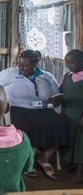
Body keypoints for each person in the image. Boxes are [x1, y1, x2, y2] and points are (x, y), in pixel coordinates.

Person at [0, 49, 68, 180]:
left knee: (61, 124)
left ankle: (44, 158)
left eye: (25, 65)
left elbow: (56, 96)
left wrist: (56, 99)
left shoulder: (47, 76)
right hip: (19, 108)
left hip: (43, 109)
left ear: (35, 65)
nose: (21, 68)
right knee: (25, 125)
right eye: (19, 64)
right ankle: (28, 161)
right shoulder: (10, 73)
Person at [55, 49, 83, 183]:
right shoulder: (67, 76)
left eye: (72, 63)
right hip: (67, 115)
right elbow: (60, 93)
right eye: (67, 63)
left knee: (81, 143)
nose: (69, 66)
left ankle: (80, 172)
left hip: (80, 115)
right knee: (70, 140)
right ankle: (71, 163)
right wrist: (55, 100)